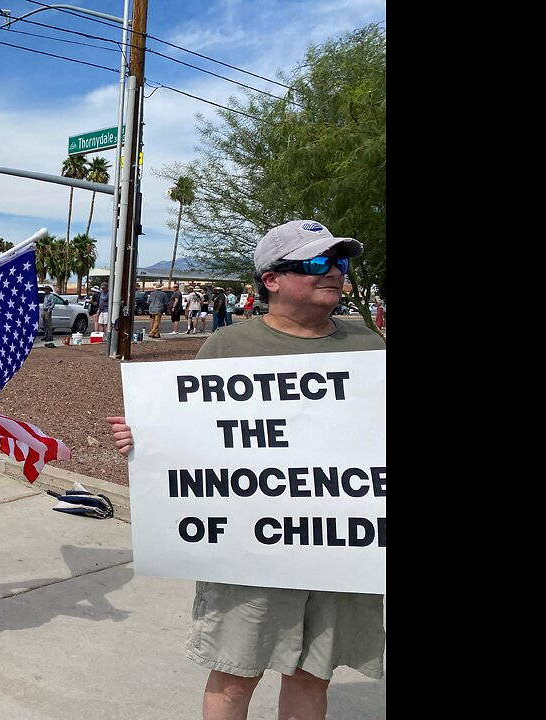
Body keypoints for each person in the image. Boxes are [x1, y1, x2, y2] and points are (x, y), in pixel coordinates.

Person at [107, 219, 385, 720]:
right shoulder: (228, 349)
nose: (334, 274)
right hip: (251, 547)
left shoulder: (367, 348)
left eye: (339, 262)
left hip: (340, 546)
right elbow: (194, 436)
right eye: (318, 263)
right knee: (236, 675)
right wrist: (145, 439)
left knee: (312, 676)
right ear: (271, 279)